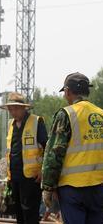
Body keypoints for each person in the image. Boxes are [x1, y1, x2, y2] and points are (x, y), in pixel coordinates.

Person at [42, 72, 103, 224]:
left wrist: (48, 187)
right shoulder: (101, 114)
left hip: (72, 189)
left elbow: (54, 154)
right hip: (99, 188)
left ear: (68, 91)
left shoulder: (66, 115)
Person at [0, 92, 47, 224]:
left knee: (30, 214)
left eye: (15, 108)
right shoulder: (11, 125)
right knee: (19, 214)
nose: (12, 112)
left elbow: (47, 149)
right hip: (14, 178)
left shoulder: (36, 122)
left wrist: (42, 170)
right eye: (10, 109)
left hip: (31, 178)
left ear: (23, 108)